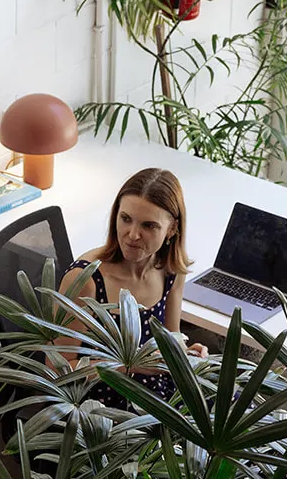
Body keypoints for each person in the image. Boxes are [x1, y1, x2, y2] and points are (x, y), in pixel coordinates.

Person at [59, 166, 208, 408]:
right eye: (126, 219)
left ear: (172, 229)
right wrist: (130, 366)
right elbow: (58, 369)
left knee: (236, 410)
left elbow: (171, 337)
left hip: (156, 388)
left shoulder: (170, 270)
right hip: (102, 401)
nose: (132, 235)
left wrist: (187, 353)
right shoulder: (85, 279)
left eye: (149, 226)